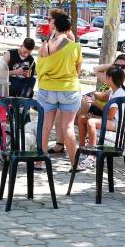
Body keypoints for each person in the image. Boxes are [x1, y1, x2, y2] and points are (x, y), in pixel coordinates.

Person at [37, 13, 83, 169]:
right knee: (68, 127)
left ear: (55, 27)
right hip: (69, 90)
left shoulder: (45, 46)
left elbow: (39, 69)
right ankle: (74, 164)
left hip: (47, 89)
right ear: (69, 28)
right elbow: (78, 71)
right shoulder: (75, 47)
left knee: (45, 126)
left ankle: (39, 161)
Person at [75, 64, 125, 168]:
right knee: (82, 118)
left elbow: (110, 116)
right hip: (112, 121)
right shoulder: (114, 91)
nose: (105, 78)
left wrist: (95, 106)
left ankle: (92, 156)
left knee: (91, 122)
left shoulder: (119, 94)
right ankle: (83, 150)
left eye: (107, 76)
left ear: (110, 78)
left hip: (118, 124)